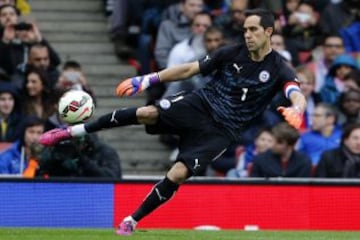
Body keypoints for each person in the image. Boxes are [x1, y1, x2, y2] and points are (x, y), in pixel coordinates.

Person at [39, 9, 307, 235]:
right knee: (146, 113)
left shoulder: (280, 67)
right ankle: (71, 131)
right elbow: (190, 68)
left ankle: (131, 220)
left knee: (178, 173)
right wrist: (147, 79)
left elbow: (295, 93)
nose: (247, 35)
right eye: (245, 30)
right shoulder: (231, 52)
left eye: (253, 30)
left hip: (222, 131)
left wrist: (297, 109)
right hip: (200, 105)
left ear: (269, 32)